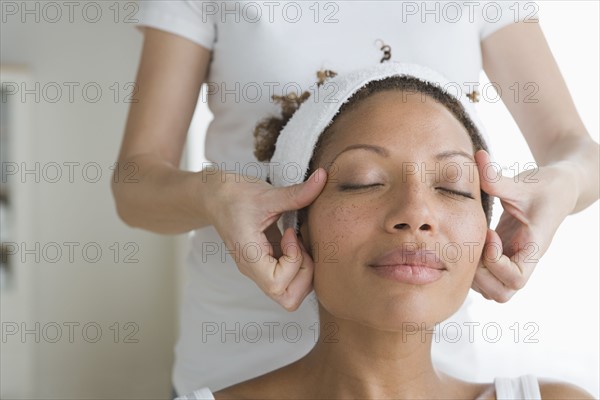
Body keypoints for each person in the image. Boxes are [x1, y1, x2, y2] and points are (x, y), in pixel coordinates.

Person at [111, 1, 599, 396]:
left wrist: (567, 183)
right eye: (363, 181)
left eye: (452, 185)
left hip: (432, 359)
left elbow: (576, 151)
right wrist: (213, 194)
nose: (416, 213)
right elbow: (135, 184)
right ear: (294, 226)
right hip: (235, 356)